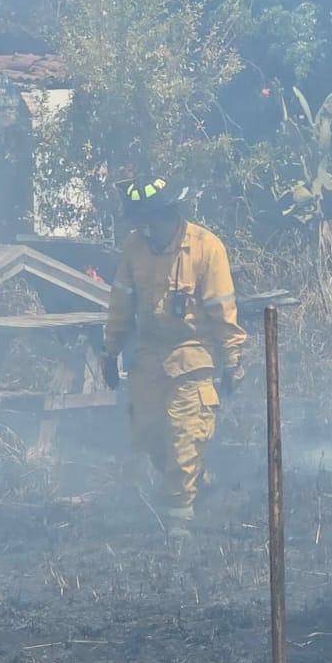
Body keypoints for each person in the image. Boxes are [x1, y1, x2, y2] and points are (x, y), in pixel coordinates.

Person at [101, 178, 247, 534]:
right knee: (150, 436)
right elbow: (121, 303)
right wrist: (110, 351)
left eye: (146, 220)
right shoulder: (134, 248)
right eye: (138, 222)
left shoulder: (206, 248)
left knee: (184, 436)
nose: (142, 228)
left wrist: (232, 361)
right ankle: (195, 478)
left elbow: (222, 310)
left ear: (166, 214)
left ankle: (178, 529)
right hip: (149, 355)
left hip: (193, 355)